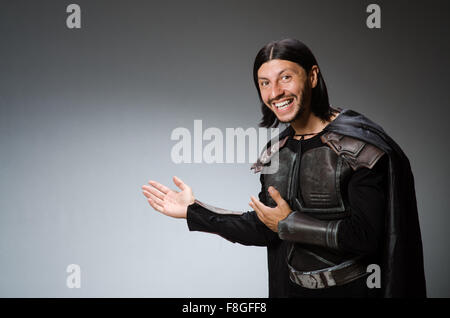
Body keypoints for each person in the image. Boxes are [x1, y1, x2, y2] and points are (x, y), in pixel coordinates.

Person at [141, 39, 426, 298]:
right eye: (264, 83)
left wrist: (289, 224)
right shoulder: (277, 151)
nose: (275, 92)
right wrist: (194, 210)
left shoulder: (360, 148)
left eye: (285, 78)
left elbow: (367, 237)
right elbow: (267, 228)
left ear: (312, 77)